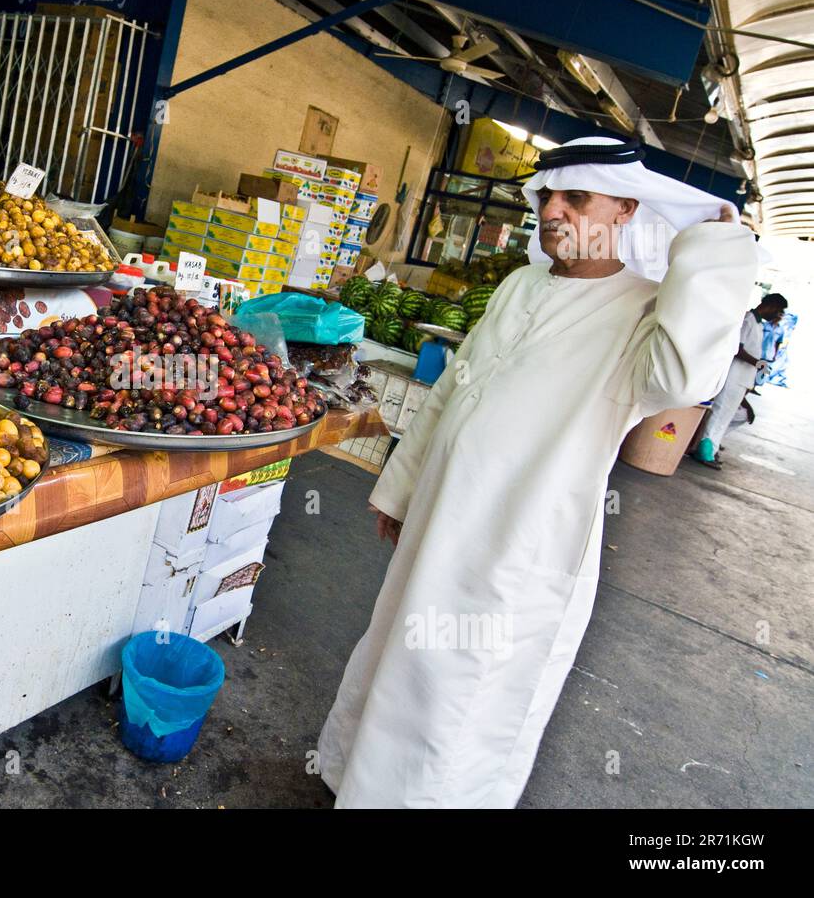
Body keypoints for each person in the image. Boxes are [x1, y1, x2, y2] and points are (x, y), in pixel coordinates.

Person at [318, 137, 759, 808]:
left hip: (517, 547)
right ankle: (353, 783)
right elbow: (452, 393)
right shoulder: (521, 284)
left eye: (576, 198)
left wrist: (714, 253)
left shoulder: (646, 312)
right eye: (546, 196)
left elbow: (683, 378)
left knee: (455, 695)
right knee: (394, 655)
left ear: (624, 210)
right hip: (441, 515)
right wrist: (402, 489)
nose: (553, 210)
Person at [690, 293, 788, 468]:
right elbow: (738, 348)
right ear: (771, 305)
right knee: (720, 414)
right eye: (778, 311)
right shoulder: (749, 319)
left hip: (743, 379)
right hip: (734, 377)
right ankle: (704, 451)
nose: (777, 315)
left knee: (732, 416)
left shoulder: (758, 323)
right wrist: (757, 362)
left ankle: (710, 447)